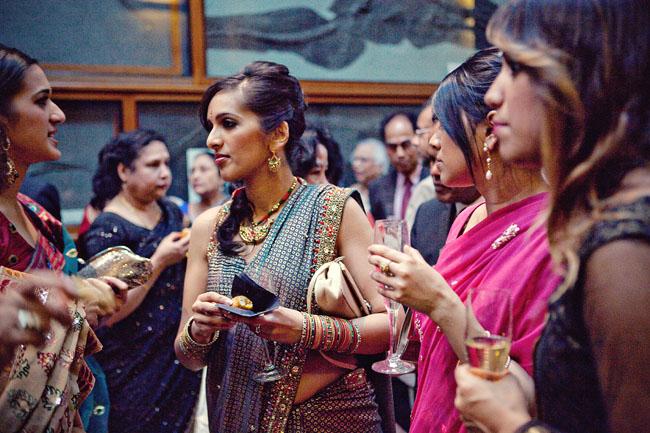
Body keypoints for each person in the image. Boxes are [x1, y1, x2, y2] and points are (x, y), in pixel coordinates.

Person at [454, 1, 650, 433]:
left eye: (515, 67)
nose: (493, 94)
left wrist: (510, 423)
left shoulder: (625, 248)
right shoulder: (606, 209)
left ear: (573, 74)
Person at [176, 61, 393, 433]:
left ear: (277, 134)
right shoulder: (208, 227)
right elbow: (188, 358)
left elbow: (391, 326)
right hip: (236, 417)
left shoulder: (334, 208)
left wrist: (304, 328)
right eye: (210, 126)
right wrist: (200, 329)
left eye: (228, 124)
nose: (212, 140)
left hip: (332, 421)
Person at [368, 47, 563, 433]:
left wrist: (439, 301)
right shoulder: (468, 216)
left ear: (489, 130)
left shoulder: (552, 234)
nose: (431, 143)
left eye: (441, 123)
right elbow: (434, 346)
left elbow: (535, 393)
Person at [0, 44, 125, 433]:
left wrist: (82, 300)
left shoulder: (41, 218)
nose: (59, 115)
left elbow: (48, 309)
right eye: (42, 102)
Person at [81, 129, 201, 433]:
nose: (164, 173)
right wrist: (158, 261)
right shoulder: (108, 228)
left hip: (174, 357)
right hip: (133, 364)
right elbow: (110, 313)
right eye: (152, 165)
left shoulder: (172, 212)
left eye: (166, 164)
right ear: (123, 171)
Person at [368, 111, 428, 220]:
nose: (400, 154)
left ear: (416, 140)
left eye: (405, 145)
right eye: (392, 147)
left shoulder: (433, 181)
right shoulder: (378, 188)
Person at [350, 138, 388, 215]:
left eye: (363, 160)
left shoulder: (391, 191)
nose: (356, 165)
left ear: (379, 165)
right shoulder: (351, 193)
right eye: (355, 159)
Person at [188, 150, 226, 222]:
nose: (195, 176)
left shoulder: (235, 208)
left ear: (221, 176)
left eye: (204, 169)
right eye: (192, 171)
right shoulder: (184, 214)